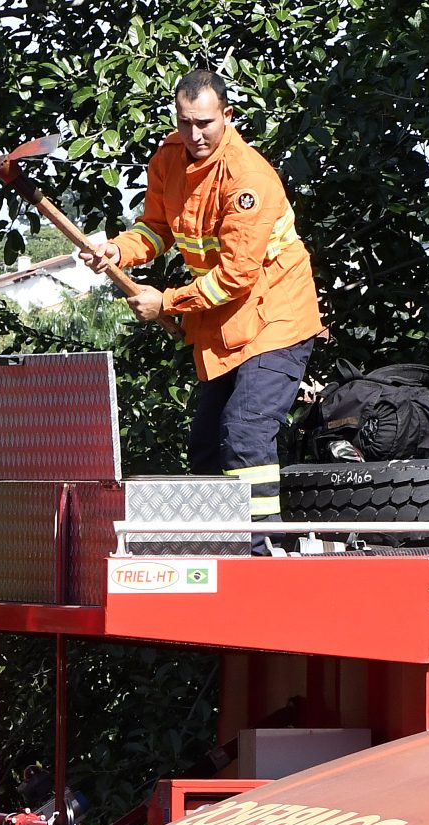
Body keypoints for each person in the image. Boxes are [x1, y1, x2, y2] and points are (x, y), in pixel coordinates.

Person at [82, 68, 323, 546]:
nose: (195, 135)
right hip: (224, 326)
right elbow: (155, 229)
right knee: (207, 445)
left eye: (205, 123)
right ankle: (222, 548)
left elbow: (236, 276)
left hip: (275, 319)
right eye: (185, 121)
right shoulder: (170, 158)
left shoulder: (247, 177)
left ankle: (261, 553)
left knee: (246, 435)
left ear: (227, 116)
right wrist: (118, 251)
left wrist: (167, 302)